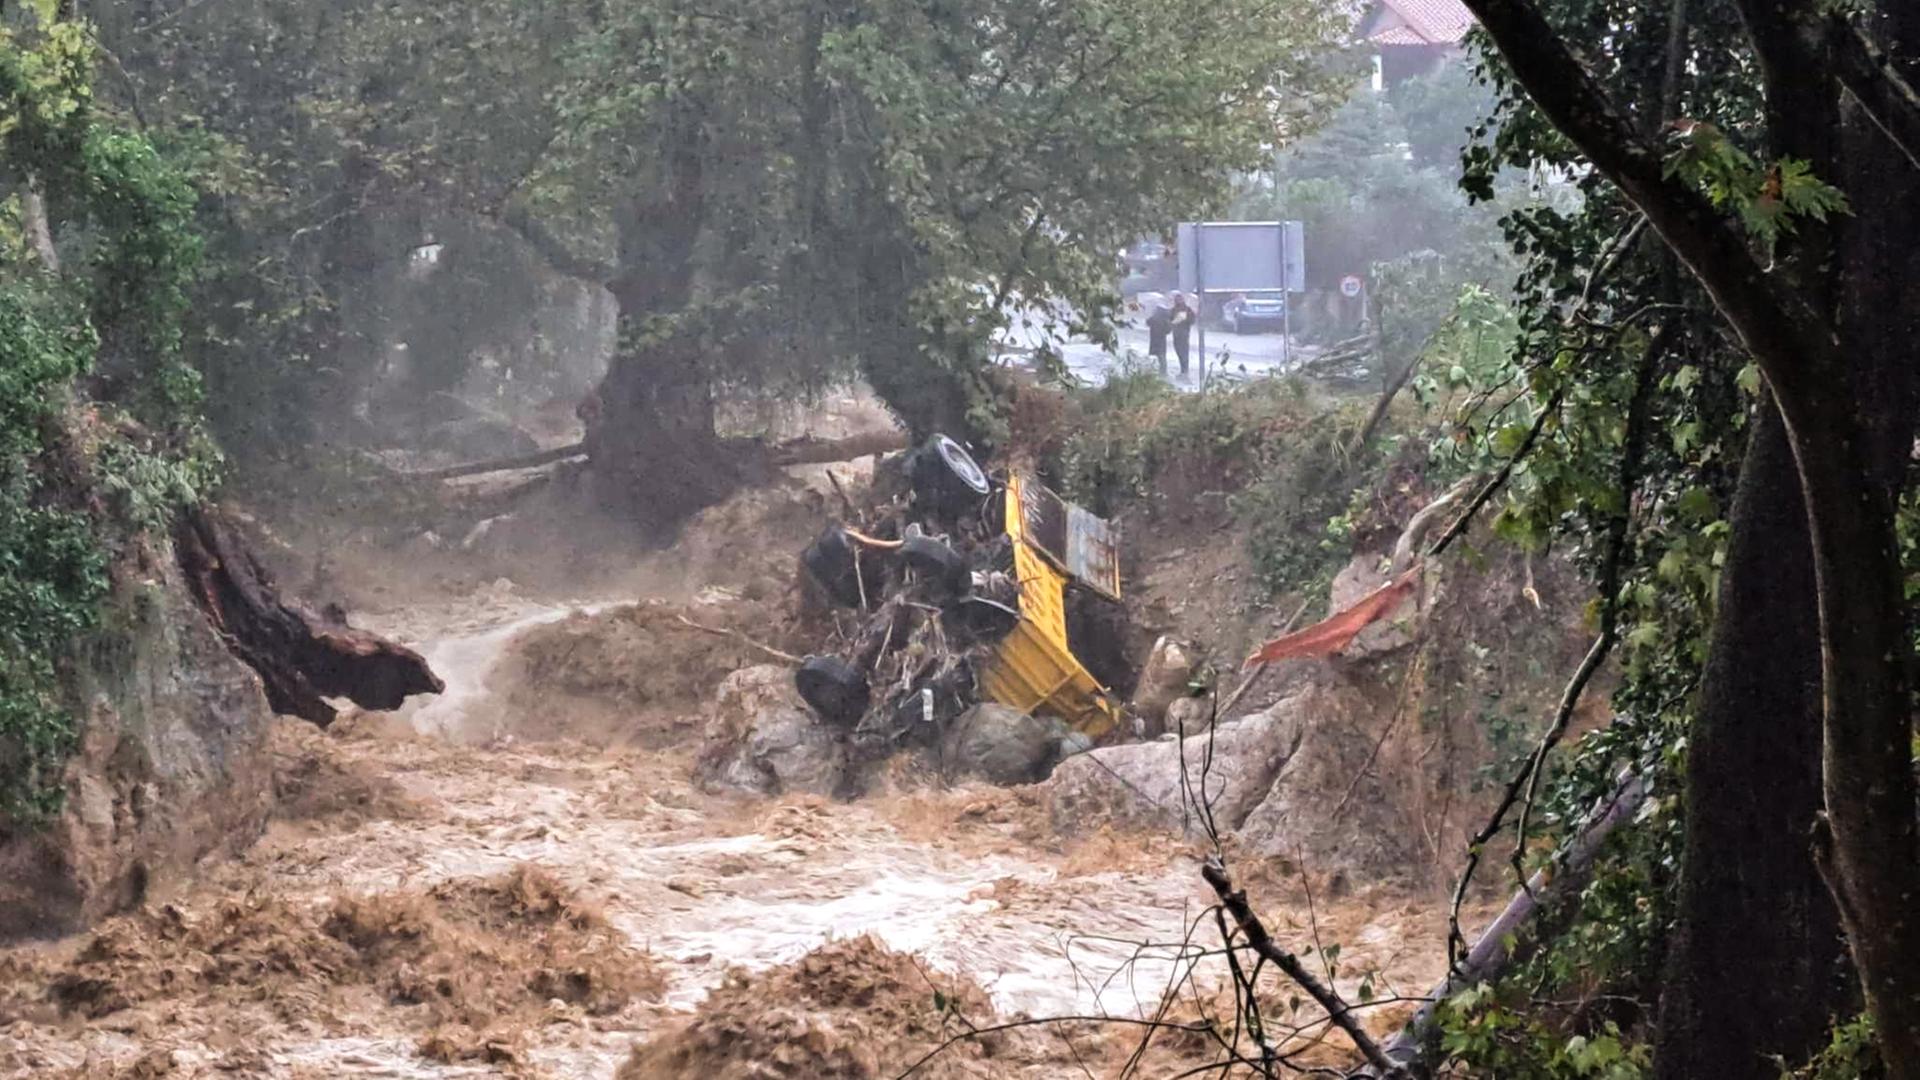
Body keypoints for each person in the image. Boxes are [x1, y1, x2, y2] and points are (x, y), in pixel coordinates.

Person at [1170, 292, 1195, 379]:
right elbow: (1169, 320)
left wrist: (1185, 319)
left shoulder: (1187, 309)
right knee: (1179, 352)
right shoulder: (1173, 310)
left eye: (1179, 299)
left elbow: (1192, 320)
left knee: (1184, 353)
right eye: (1176, 299)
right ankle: (1182, 370)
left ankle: (1185, 371)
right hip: (1176, 334)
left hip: (1184, 334)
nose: (1178, 301)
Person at [1146, 296, 1172, 374]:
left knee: (1158, 356)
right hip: (1160, 340)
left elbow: (1148, 322)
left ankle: (1158, 371)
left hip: (1156, 339)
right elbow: (1168, 330)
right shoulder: (1164, 319)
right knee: (1161, 356)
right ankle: (1161, 371)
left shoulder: (1157, 318)